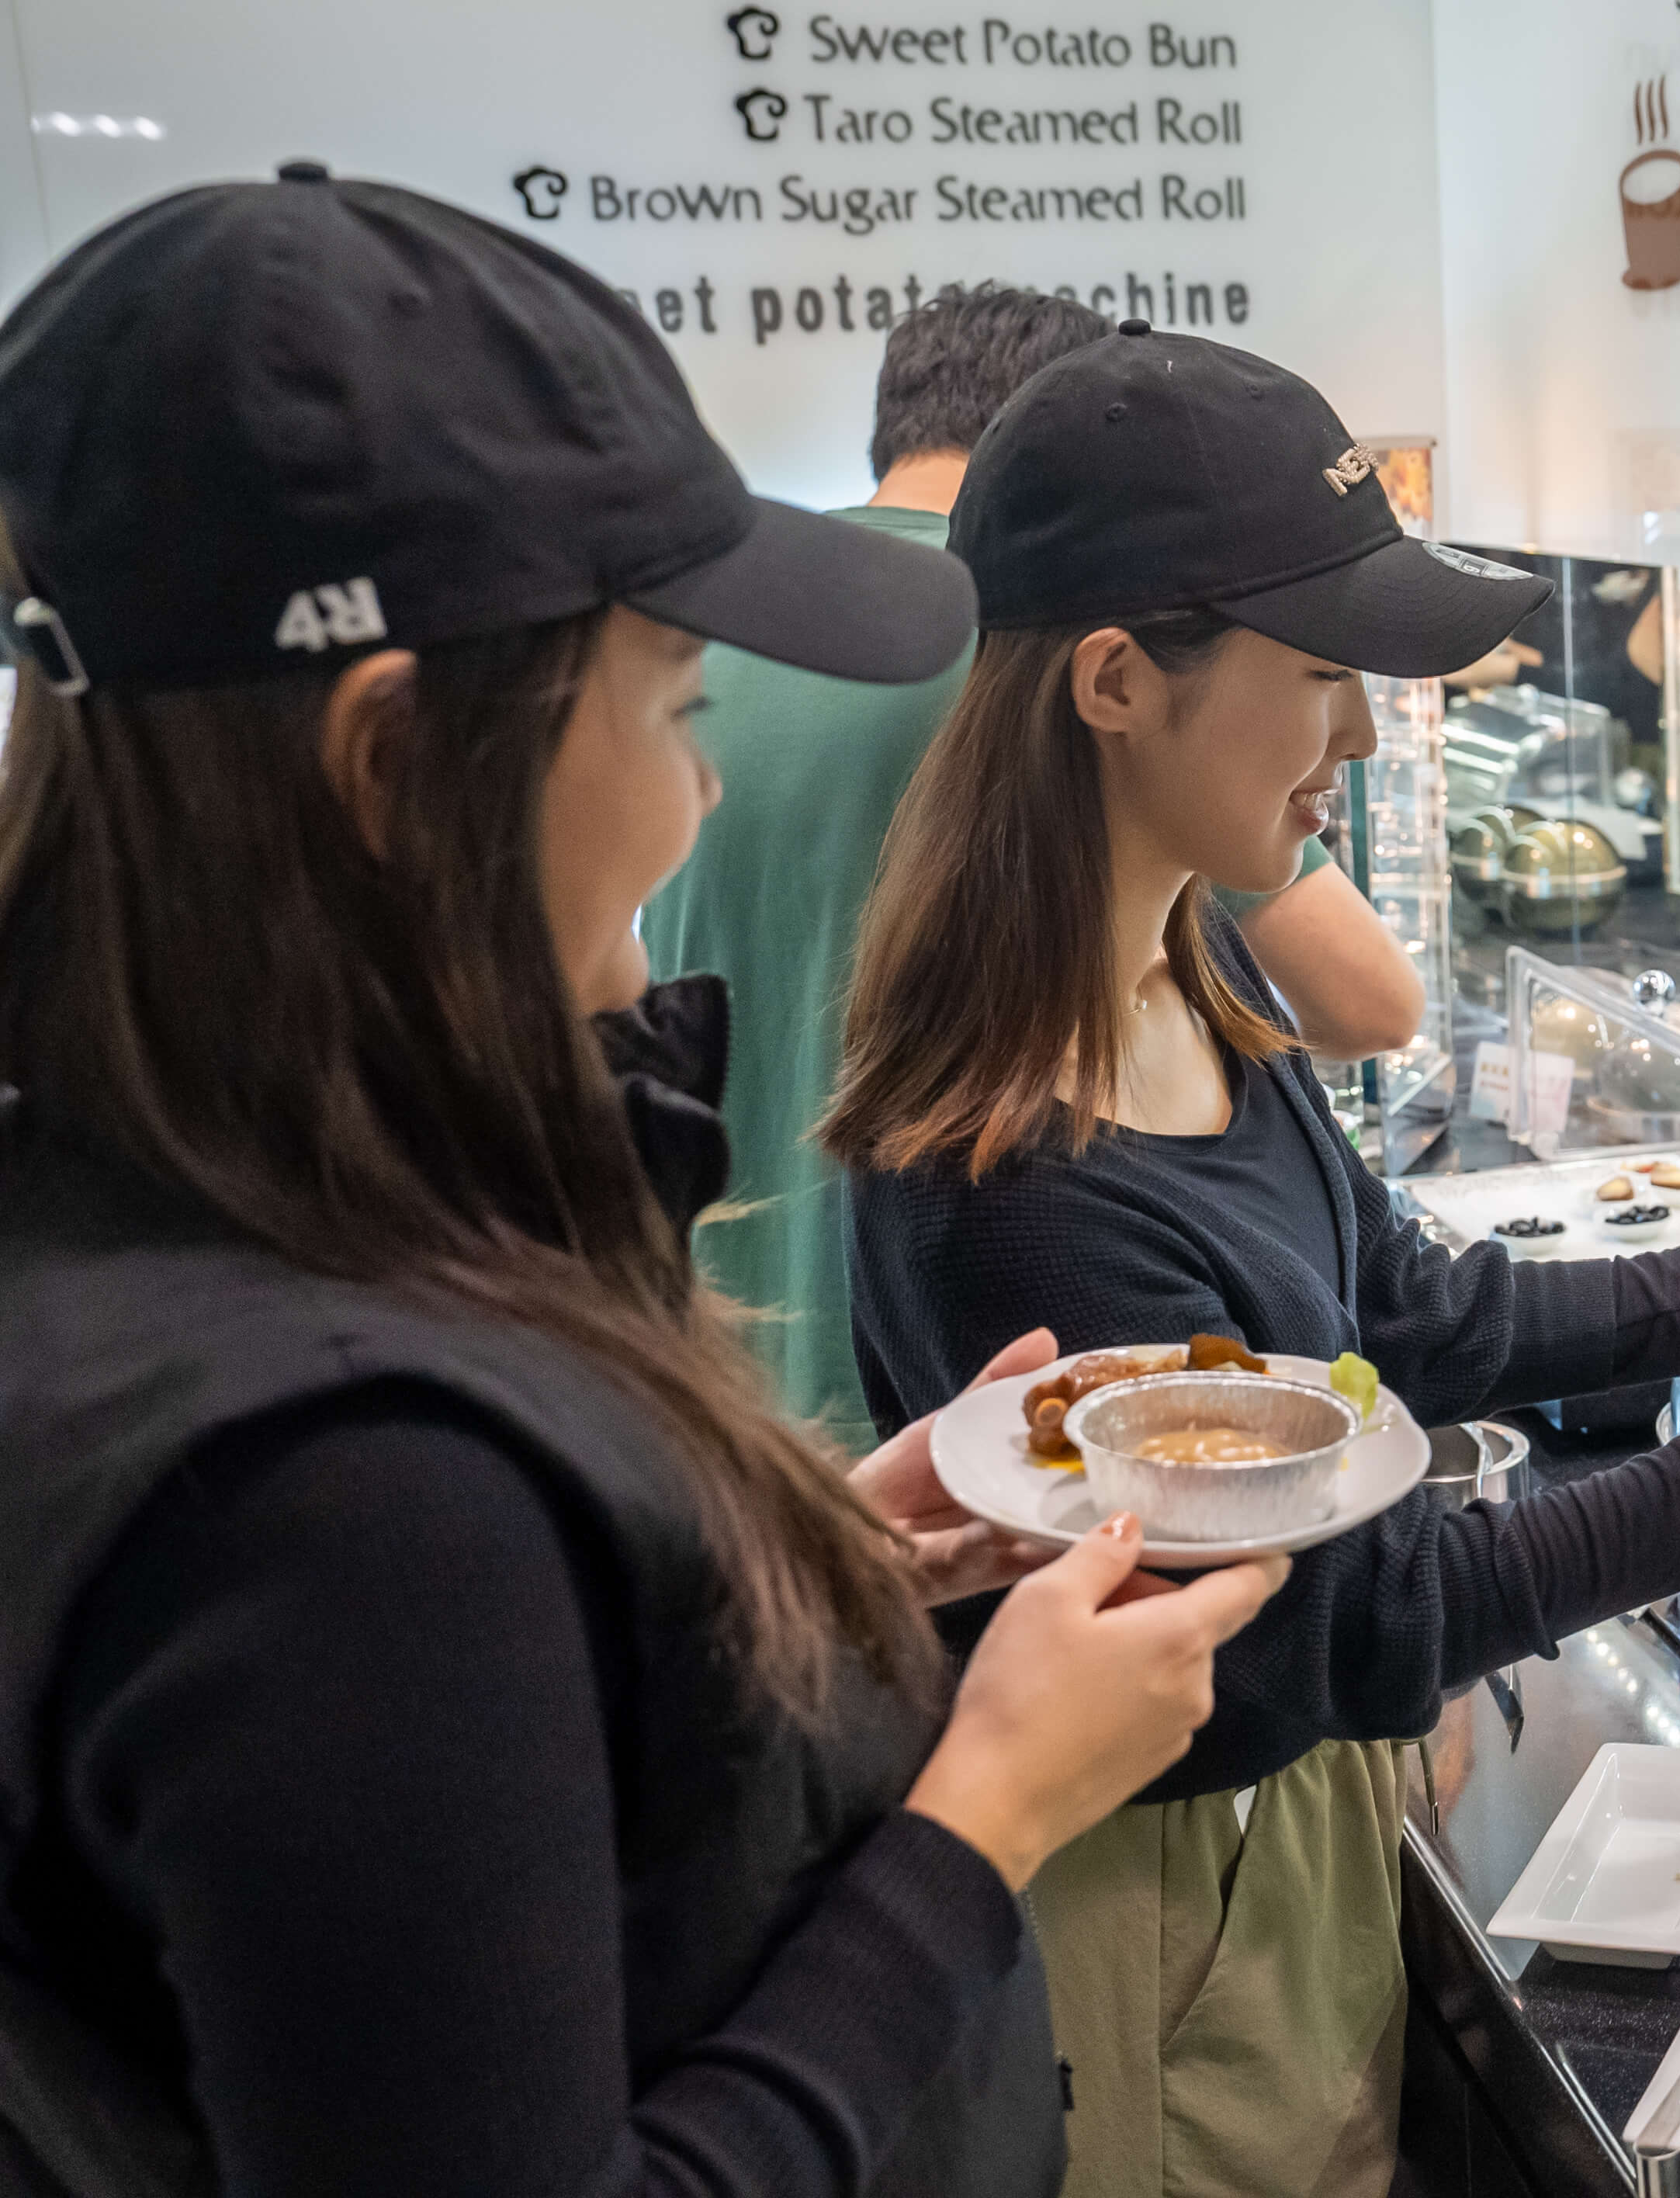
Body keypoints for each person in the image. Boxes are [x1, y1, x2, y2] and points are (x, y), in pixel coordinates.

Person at [0, 168, 1283, 2197]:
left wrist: (799, 1584)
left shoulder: (167, 1237)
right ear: (396, 760)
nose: (699, 792)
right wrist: (985, 1815)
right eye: (676, 706)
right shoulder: (348, 1486)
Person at [819, 328, 1680, 2198]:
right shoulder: (1015, 1183)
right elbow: (1349, 1616)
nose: (1361, 738)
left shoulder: (1185, 976)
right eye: (1317, 676)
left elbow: (1402, 1309)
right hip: (1157, 1907)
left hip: (1284, 1847)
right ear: (1118, 681)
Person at [643, 284, 1422, 1453]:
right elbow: (1374, 1001)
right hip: (997, 1401)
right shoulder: (1048, 681)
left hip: (728, 1395)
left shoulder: (720, 642)